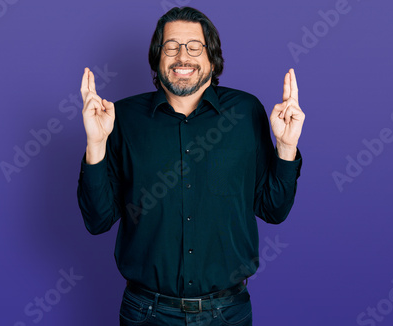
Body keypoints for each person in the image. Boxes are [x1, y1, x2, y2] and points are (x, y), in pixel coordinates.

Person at [77, 6, 304, 326]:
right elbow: (97, 220)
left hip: (227, 313)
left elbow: (273, 210)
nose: (183, 56)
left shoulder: (246, 112)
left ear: (212, 57)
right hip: (146, 313)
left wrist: (286, 147)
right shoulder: (121, 118)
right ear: (158, 57)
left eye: (195, 46)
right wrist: (96, 144)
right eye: (171, 46)